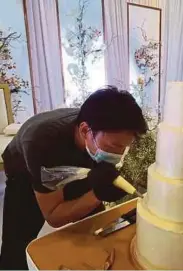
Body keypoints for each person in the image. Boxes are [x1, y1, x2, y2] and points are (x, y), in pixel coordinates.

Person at [0, 85, 147, 269]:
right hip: (24, 170)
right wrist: (96, 195)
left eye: (124, 147)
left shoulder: (97, 137)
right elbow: (54, 216)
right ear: (85, 131)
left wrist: (99, 191)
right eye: (113, 146)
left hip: (77, 157)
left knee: (93, 226)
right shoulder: (43, 143)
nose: (119, 154)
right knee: (17, 244)